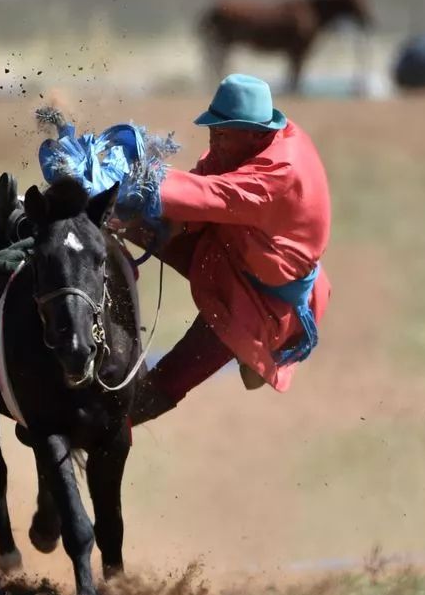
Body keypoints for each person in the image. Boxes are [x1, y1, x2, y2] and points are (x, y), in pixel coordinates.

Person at [116, 73, 332, 425]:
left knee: (171, 377)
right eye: (212, 131)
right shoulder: (243, 145)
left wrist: (137, 182)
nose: (213, 141)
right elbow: (200, 185)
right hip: (231, 252)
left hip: (262, 304)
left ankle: (104, 429)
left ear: (254, 133)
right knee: (128, 218)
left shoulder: (281, 170)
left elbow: (212, 196)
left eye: (222, 133)